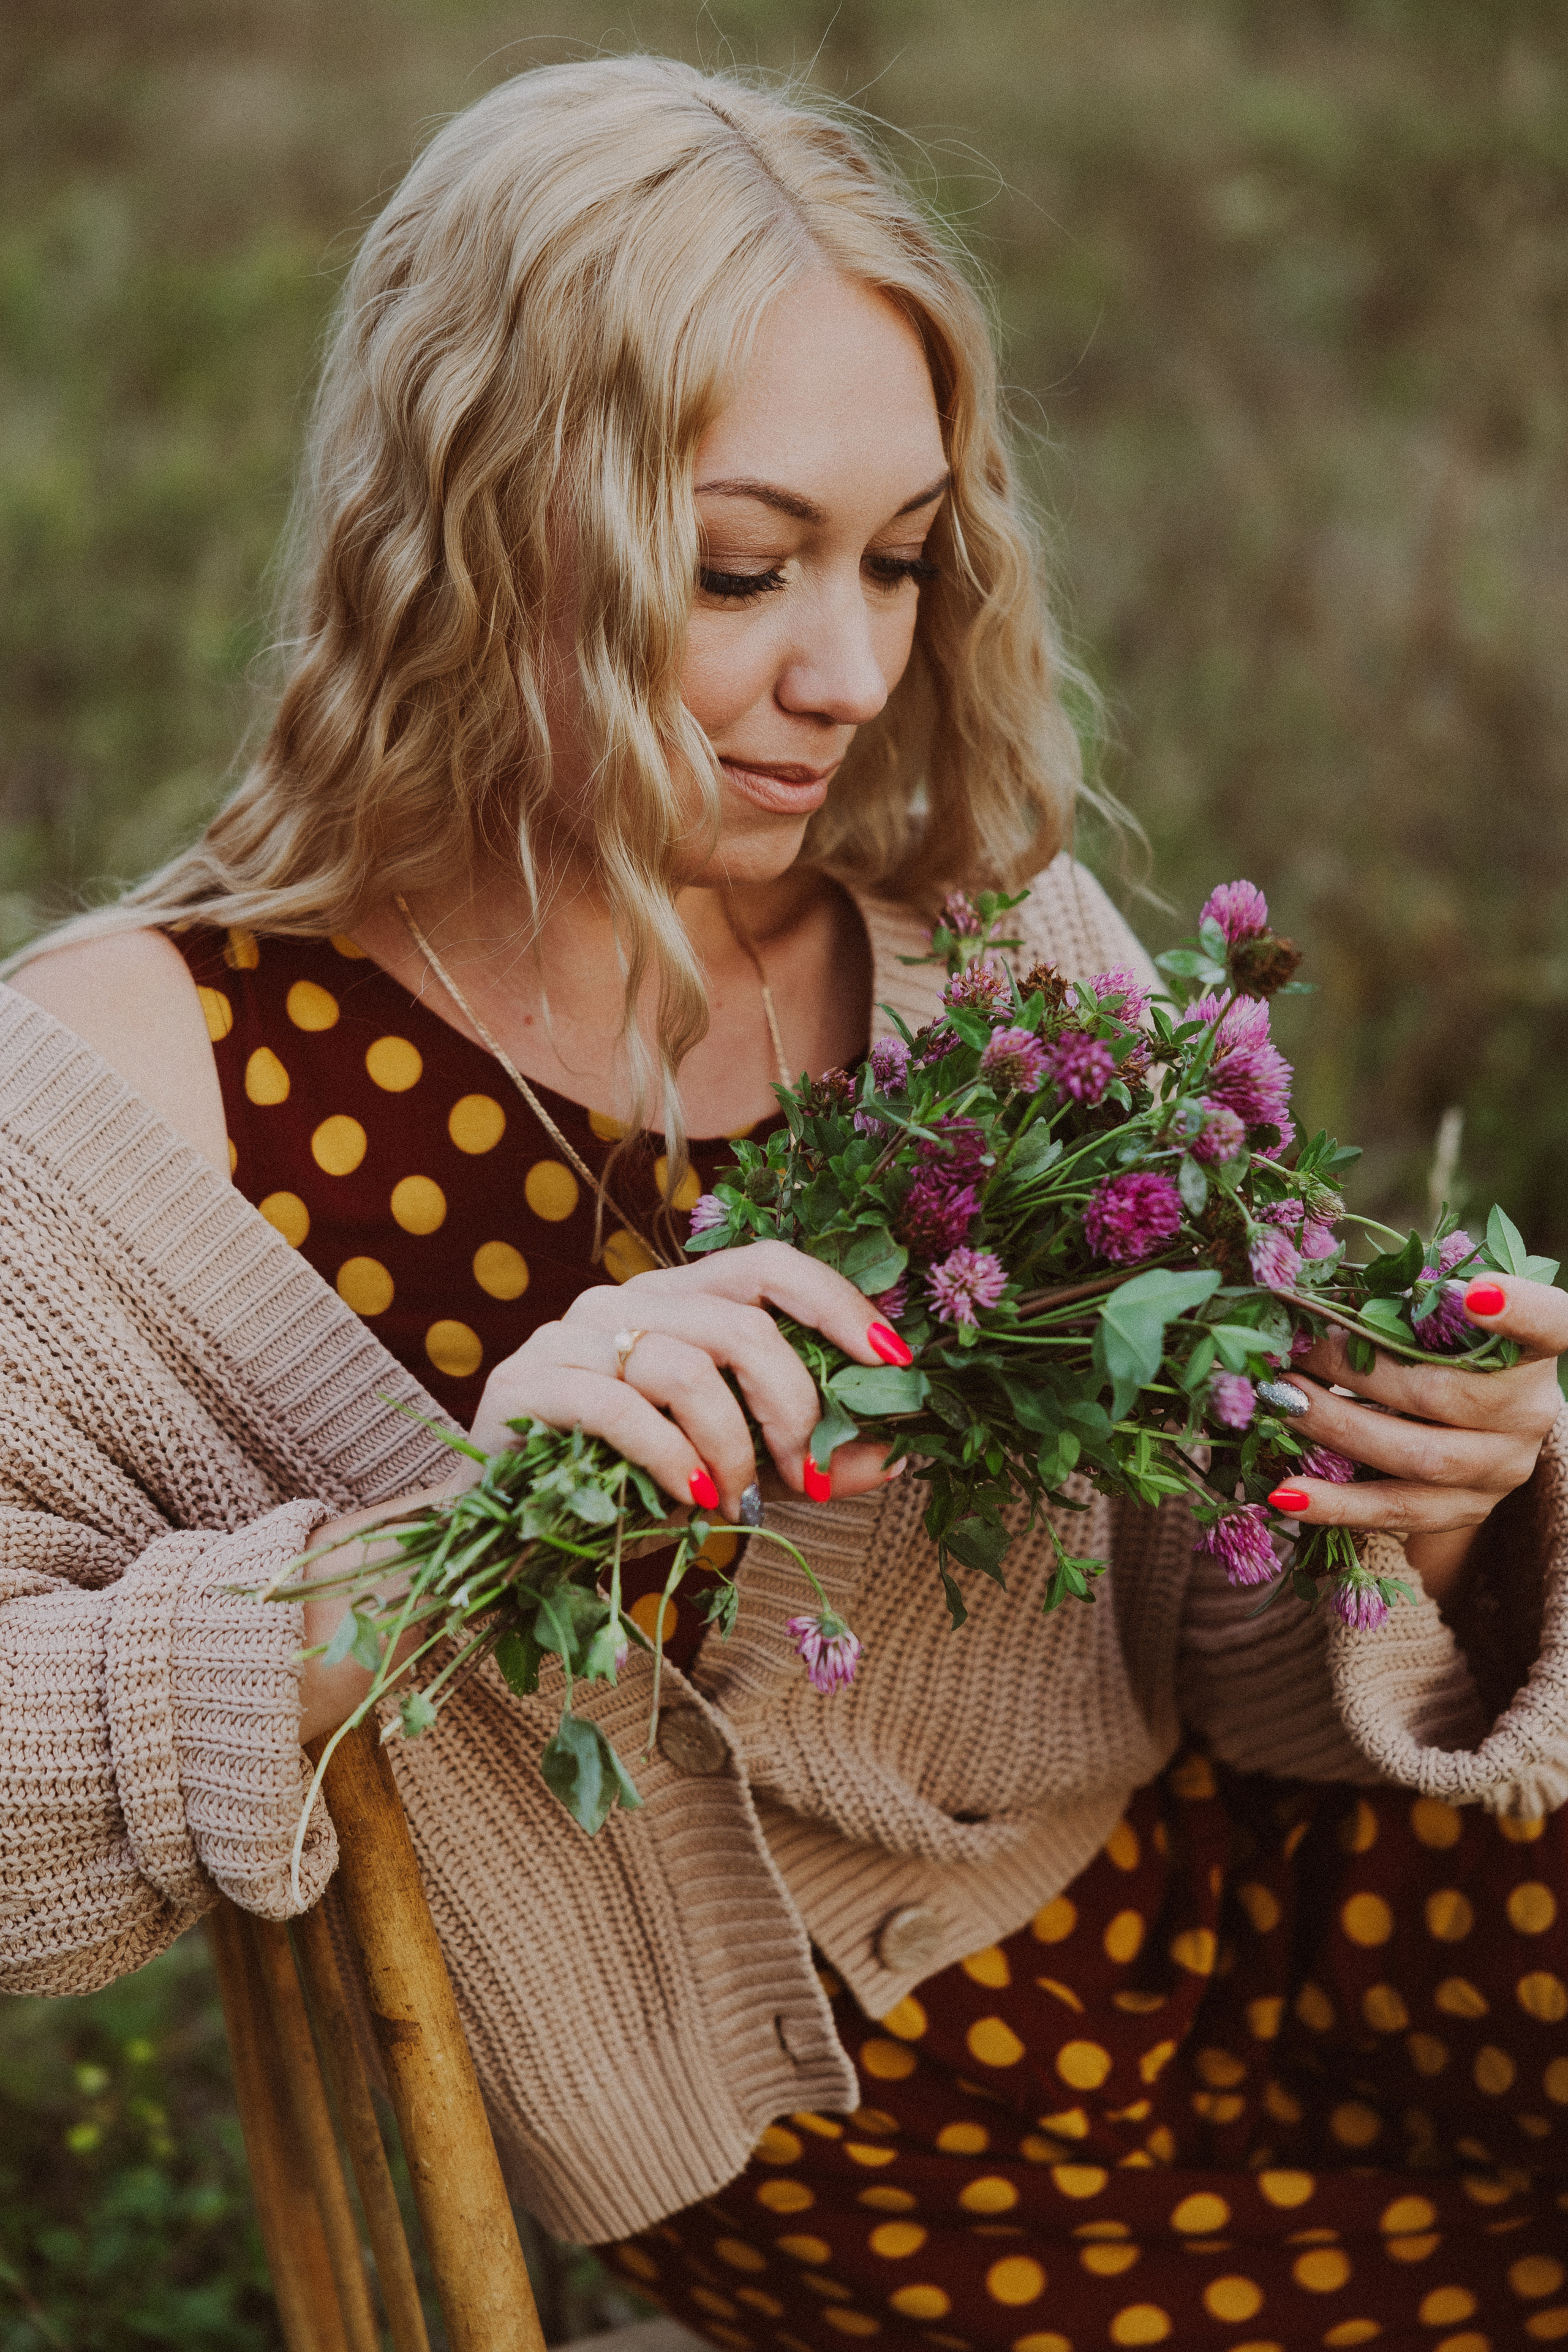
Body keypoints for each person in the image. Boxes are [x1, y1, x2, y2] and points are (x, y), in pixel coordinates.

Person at [4, 56, 1566, 2351]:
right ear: (468, 526)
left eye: (900, 560)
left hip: (1301, 1891)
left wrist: (1435, 1502)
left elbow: (1230, 1652)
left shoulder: (988, 957)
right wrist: (417, 1570)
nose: (848, 674)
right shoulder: (139, 1098)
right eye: (743, 570)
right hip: (870, 2122)